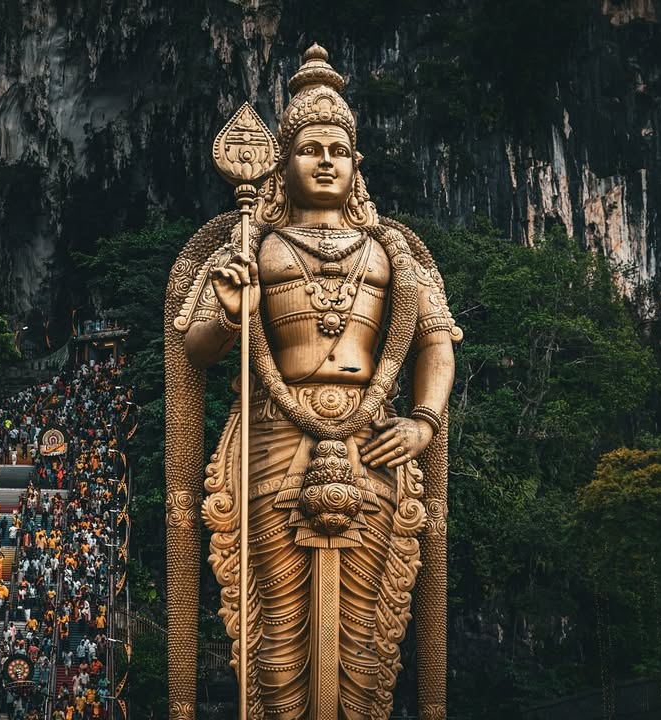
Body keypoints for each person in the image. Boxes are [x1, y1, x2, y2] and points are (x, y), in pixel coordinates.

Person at [163, 44, 461, 719]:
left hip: (373, 437)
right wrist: (234, 311)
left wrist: (425, 419)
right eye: (310, 149)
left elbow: (436, 344)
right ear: (282, 164)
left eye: (339, 149)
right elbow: (196, 345)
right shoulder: (248, 245)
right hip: (274, 437)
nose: (326, 160)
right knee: (274, 638)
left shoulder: (396, 253)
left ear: (356, 165)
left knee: (366, 641)